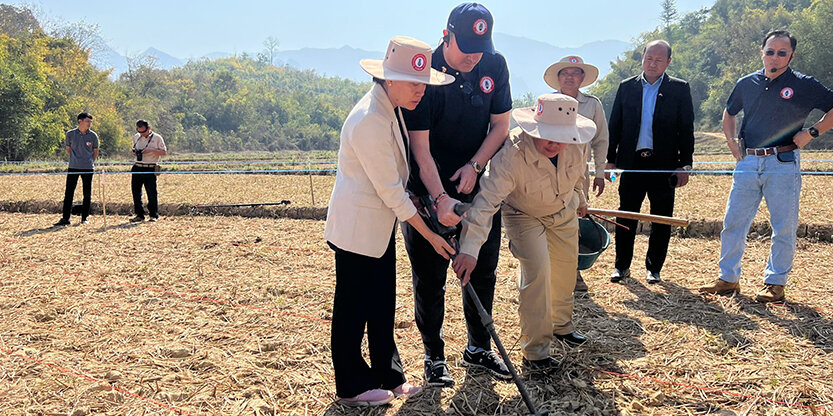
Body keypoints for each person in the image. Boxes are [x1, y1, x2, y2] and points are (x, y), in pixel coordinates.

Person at [323, 36, 455, 407]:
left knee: (381, 303)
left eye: (423, 83)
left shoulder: (391, 108)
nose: (420, 91)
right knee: (352, 308)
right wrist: (430, 236)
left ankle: (389, 375)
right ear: (388, 79)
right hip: (356, 231)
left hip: (378, 229)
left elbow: (395, 181)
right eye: (414, 83)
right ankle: (350, 385)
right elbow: (391, 193)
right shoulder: (369, 119)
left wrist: (416, 200)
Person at [401, 2, 513, 387]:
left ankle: (478, 348)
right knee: (430, 277)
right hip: (428, 191)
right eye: (465, 47)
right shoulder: (425, 73)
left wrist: (476, 166)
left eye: (479, 47)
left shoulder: (494, 66)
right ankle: (434, 354)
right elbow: (420, 149)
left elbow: (500, 126)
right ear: (446, 35)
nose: (473, 56)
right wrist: (439, 198)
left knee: (482, 268)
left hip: (477, 189)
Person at [453, 93, 595, 370]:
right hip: (524, 216)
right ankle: (536, 352)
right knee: (538, 274)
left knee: (566, 273)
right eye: (548, 135)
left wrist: (581, 200)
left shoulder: (577, 144)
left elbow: (579, 176)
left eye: (561, 136)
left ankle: (562, 325)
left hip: (564, 211)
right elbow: (485, 204)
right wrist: (469, 250)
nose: (555, 143)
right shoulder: (511, 155)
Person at [700, 30, 833, 303]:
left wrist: (812, 133)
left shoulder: (804, 84)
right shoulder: (746, 82)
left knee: (783, 225)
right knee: (733, 222)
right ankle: (728, 278)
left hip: (782, 161)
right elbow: (729, 112)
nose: (775, 57)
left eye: (782, 53)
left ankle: (775, 283)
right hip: (748, 161)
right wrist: (731, 142)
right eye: (770, 51)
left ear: (792, 56)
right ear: (762, 52)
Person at [605, 40, 694, 284]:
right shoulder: (626, 87)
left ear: (668, 62)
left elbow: (686, 129)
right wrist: (610, 160)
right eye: (649, 58)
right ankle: (621, 267)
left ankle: (654, 268)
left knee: (661, 218)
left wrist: (685, 164)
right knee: (626, 216)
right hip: (632, 162)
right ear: (642, 58)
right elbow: (615, 125)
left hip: (663, 164)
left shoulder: (679, 88)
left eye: (659, 59)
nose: (652, 63)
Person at [544, 55, 609, 292]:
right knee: (547, 218)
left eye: (575, 73)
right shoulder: (547, 102)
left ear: (582, 78)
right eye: (565, 73)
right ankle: (548, 270)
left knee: (574, 221)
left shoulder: (593, 105)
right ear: (558, 78)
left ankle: (573, 273)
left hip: (579, 173)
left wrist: (600, 172)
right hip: (547, 171)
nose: (569, 77)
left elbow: (601, 140)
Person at [54, 112, 99, 226]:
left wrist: (88, 162)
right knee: (69, 193)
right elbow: (68, 149)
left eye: (90, 122)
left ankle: (84, 218)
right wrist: (76, 159)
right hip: (73, 166)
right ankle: (65, 218)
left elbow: (95, 152)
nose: (89, 124)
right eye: (87, 121)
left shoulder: (93, 136)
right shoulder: (70, 134)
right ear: (80, 121)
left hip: (88, 168)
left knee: (87, 193)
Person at [130, 120, 167, 223]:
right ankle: (139, 215)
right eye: (139, 131)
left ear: (149, 128)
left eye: (144, 132)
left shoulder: (157, 138)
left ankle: (153, 215)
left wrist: (150, 151)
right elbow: (132, 149)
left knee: (151, 192)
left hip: (150, 167)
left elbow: (164, 152)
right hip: (137, 166)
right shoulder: (136, 137)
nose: (142, 134)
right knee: (136, 192)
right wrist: (135, 153)